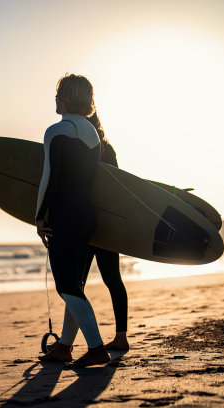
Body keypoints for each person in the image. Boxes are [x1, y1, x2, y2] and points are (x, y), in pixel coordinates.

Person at [36, 74, 110, 367]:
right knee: (75, 285)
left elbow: (49, 178)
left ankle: (96, 348)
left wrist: (39, 216)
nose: (55, 101)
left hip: (64, 217)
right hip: (87, 217)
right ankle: (65, 346)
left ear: (64, 99)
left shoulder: (57, 131)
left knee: (66, 286)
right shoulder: (94, 135)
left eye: (57, 96)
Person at [83, 112, 130, 351]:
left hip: (88, 223)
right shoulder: (107, 149)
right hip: (107, 225)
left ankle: (69, 343)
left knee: (76, 284)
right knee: (112, 280)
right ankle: (120, 336)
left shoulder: (90, 148)